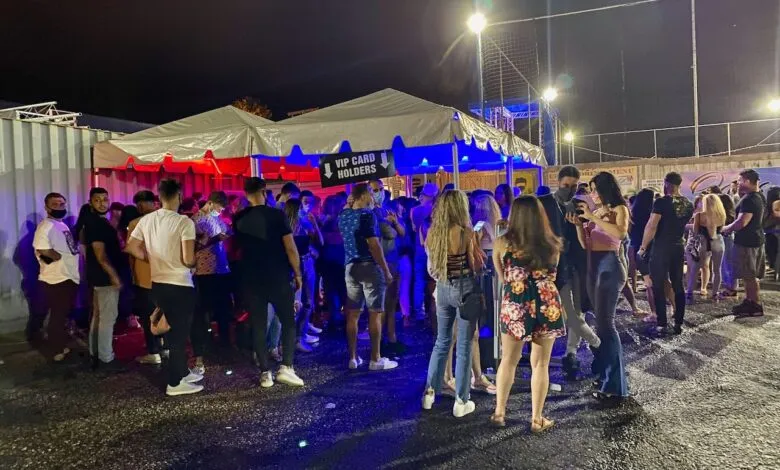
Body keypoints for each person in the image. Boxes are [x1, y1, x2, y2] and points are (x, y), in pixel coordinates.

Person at [490, 195, 565, 430]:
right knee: (540, 364)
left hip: (515, 302)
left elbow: (503, 278)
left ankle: (499, 413)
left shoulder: (502, 243)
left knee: (508, 361)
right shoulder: (553, 243)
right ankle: (536, 418)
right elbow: (553, 274)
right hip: (546, 302)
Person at [127, 179, 202, 396]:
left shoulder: (147, 220)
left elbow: (131, 247)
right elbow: (188, 259)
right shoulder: (184, 222)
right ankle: (175, 383)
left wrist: (152, 259)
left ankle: (183, 371)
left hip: (158, 283)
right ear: (178, 196)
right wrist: (194, 262)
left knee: (171, 331)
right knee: (179, 334)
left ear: (159, 197)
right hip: (180, 284)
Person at [233, 177, 305, 388]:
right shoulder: (276, 215)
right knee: (288, 321)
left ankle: (265, 373)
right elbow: (290, 247)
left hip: (252, 277)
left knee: (258, 323)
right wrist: (298, 273)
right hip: (278, 274)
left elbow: (238, 248)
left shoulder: (238, 218)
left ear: (246, 194)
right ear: (264, 192)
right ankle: (286, 367)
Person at [421, 190, 483, 417]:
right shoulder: (466, 232)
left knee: (442, 342)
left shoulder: (432, 233)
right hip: (464, 287)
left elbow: (432, 268)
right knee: (464, 346)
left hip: (443, 289)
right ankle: (461, 400)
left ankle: (429, 393)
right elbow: (475, 265)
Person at [568, 172, 630, 400]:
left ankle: (615, 386)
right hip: (593, 264)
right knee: (600, 323)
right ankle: (608, 376)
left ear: (605, 189)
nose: (592, 193)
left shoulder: (619, 210)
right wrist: (578, 225)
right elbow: (587, 243)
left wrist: (593, 219)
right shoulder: (596, 212)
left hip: (609, 265)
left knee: (606, 324)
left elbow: (620, 233)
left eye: (595, 189)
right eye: (591, 189)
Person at [338, 183, 396, 371]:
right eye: (371, 193)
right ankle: (375, 358)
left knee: (353, 314)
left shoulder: (343, 215)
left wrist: (349, 203)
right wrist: (386, 270)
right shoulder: (367, 215)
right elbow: (374, 245)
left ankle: (353, 358)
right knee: (375, 312)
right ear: (363, 195)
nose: (373, 196)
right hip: (369, 266)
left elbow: (347, 209)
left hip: (350, 267)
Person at [553, 166, 601, 379]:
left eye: (573, 186)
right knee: (570, 314)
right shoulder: (546, 204)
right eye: (566, 186)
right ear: (558, 182)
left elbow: (586, 240)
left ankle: (571, 353)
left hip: (575, 266)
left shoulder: (579, 207)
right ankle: (596, 344)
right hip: (553, 268)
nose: (570, 190)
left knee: (576, 313)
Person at [638, 172, 694, 335]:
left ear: (667, 184)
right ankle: (679, 322)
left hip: (661, 248)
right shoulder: (688, 204)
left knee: (658, 284)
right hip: (678, 246)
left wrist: (643, 247)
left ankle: (662, 323)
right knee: (678, 284)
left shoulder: (662, 202)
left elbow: (652, 225)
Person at [32, 193, 80, 362]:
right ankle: (55, 349)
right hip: (56, 278)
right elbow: (41, 249)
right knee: (58, 316)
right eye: (55, 204)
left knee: (63, 314)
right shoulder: (45, 226)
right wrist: (56, 256)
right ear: (47, 207)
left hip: (68, 277)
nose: (60, 207)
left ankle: (60, 344)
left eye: (62, 204)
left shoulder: (61, 225)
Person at [83, 187, 128, 369]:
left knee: (99, 316)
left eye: (105, 199)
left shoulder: (96, 223)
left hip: (96, 277)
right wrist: (114, 276)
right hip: (104, 278)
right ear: (91, 203)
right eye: (97, 200)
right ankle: (106, 359)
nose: (102, 203)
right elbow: (101, 256)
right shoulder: (97, 225)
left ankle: (96, 354)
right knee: (108, 318)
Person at [191, 191, 232, 375]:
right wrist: (214, 239)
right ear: (209, 203)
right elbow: (194, 246)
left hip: (221, 268)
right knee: (205, 308)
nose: (220, 211)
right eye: (219, 207)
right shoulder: (196, 220)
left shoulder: (217, 219)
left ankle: (224, 342)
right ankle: (204, 344)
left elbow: (225, 230)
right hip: (205, 271)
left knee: (224, 307)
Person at [369, 179, 406, 355]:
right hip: (380, 263)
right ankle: (381, 344)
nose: (379, 192)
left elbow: (402, 231)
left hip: (393, 260)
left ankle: (391, 338)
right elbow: (391, 232)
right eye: (375, 190)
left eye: (380, 189)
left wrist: (395, 222)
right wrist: (393, 224)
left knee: (392, 303)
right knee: (381, 306)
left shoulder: (386, 208)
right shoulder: (372, 213)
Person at [126, 190, 163, 365]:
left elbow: (131, 251)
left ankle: (153, 351)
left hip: (144, 278)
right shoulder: (167, 221)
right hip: (165, 277)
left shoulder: (134, 224)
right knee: (164, 313)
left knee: (148, 315)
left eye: (143, 202)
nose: (140, 206)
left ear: (153, 202)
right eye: (138, 203)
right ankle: (166, 347)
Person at [723, 169, 765, 316]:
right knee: (750, 275)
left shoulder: (749, 199)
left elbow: (742, 222)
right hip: (756, 239)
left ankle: (755, 305)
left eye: (740, 180)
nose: (738, 183)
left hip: (747, 243)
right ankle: (750, 300)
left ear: (747, 181)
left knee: (749, 275)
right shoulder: (759, 197)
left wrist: (726, 228)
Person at [283, 197, 323, 352]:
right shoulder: (285, 227)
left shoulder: (304, 224)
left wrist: (313, 224)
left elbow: (320, 240)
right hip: (294, 266)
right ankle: (291, 339)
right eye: (300, 208)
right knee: (296, 304)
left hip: (307, 263)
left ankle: (301, 335)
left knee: (308, 301)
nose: (303, 210)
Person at [688, 194, 727, 301]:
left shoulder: (699, 215)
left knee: (695, 268)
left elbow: (695, 231)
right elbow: (722, 228)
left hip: (703, 241)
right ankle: (715, 293)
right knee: (717, 270)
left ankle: (690, 292)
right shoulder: (721, 214)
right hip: (718, 241)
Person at [411, 183, 439, 323]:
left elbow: (414, 229)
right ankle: (433, 309)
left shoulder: (414, 211)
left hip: (419, 247)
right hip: (433, 248)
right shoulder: (436, 210)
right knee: (434, 279)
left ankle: (419, 311)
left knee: (418, 281)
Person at [320, 194, 348, 331]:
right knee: (342, 290)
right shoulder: (339, 220)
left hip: (329, 258)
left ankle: (335, 318)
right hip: (339, 258)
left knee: (332, 291)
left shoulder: (324, 220)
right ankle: (342, 319)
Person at [718, 194, 738, 296]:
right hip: (728, 237)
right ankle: (730, 286)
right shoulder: (731, 214)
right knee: (726, 262)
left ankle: (731, 287)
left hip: (726, 237)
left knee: (727, 262)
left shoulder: (725, 215)